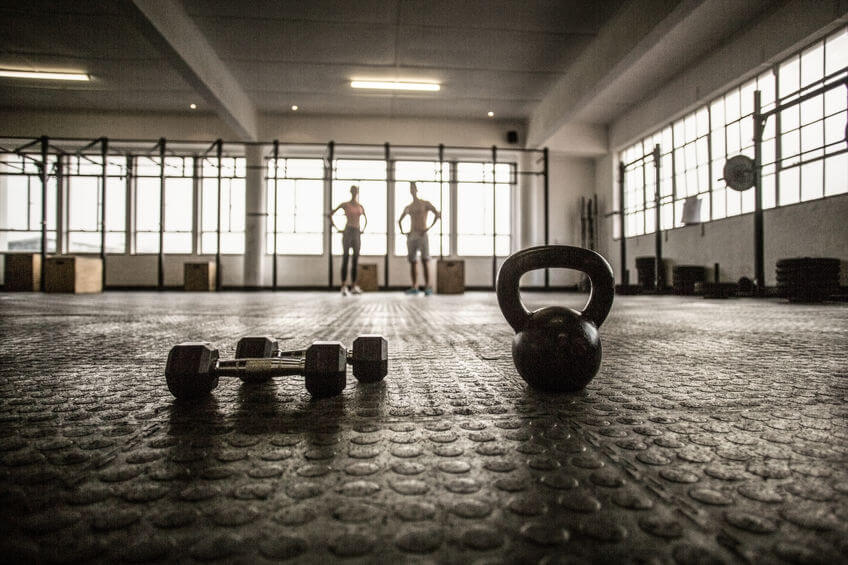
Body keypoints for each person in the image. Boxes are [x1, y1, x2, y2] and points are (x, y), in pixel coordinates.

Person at [397, 182, 440, 295]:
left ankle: (427, 287)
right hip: (412, 236)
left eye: (413, 188)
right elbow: (400, 220)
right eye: (410, 188)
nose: (412, 190)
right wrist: (403, 232)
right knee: (413, 261)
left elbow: (437, 214)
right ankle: (414, 286)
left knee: (425, 260)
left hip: (422, 235)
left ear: (416, 189)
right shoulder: (409, 207)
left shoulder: (424, 204)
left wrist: (428, 228)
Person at [328, 185, 367, 295]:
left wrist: (362, 229)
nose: (354, 193)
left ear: (357, 192)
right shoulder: (345, 205)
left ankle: (354, 286)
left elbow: (365, 219)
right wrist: (337, 228)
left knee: (355, 260)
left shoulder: (360, 206)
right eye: (353, 191)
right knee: (345, 258)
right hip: (348, 231)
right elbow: (331, 215)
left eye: (356, 191)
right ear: (351, 192)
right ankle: (344, 286)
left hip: (356, 232)